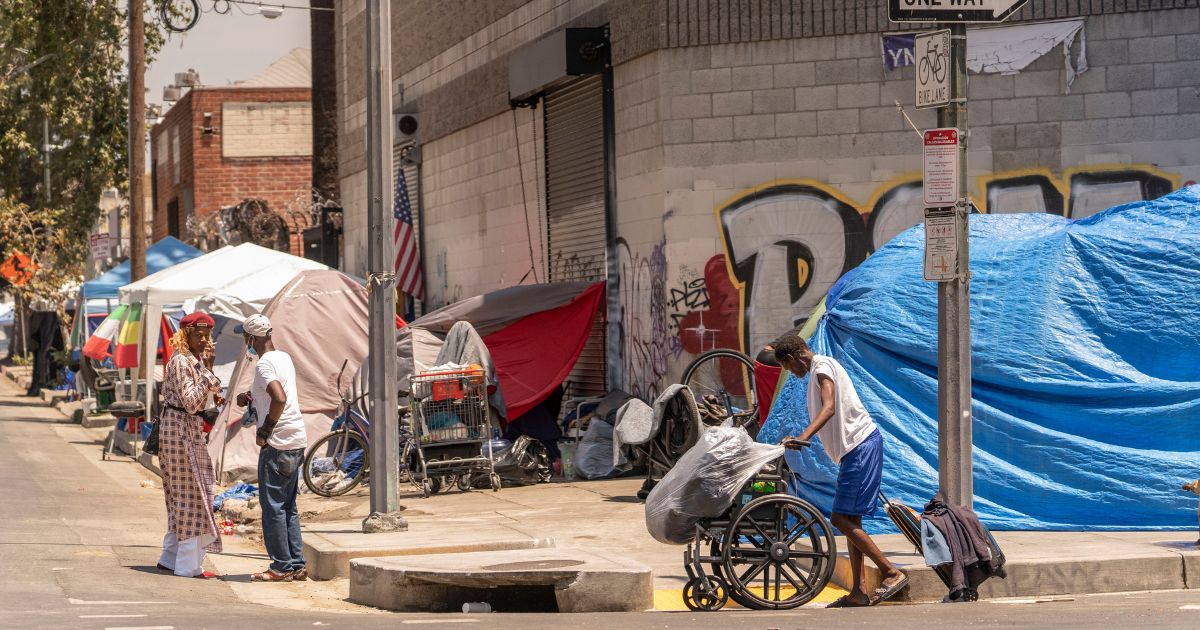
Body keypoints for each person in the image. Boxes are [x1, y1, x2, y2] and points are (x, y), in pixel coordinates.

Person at [773, 334, 908, 607]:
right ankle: (859, 592)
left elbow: (830, 407)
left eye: (788, 367)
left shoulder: (821, 367)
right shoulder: (818, 370)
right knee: (851, 522)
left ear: (793, 357)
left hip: (860, 446)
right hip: (855, 450)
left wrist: (805, 435)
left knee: (839, 520)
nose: (792, 373)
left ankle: (891, 572)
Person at [234, 314, 308, 582]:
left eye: (245, 338)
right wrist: (250, 397)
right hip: (296, 439)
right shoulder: (283, 358)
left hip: (277, 443)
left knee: (273, 507)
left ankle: (280, 566)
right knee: (288, 506)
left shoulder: (264, 364)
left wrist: (265, 430)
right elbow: (274, 392)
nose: (245, 343)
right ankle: (296, 564)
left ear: (252, 338)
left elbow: (279, 397)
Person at [157, 311, 224, 579]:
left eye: (207, 335)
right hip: (179, 431)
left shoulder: (193, 360)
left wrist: (208, 371)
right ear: (185, 335)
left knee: (182, 495)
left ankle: (170, 557)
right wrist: (208, 373)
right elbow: (191, 402)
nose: (204, 340)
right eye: (198, 335)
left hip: (185, 429)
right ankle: (187, 565)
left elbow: (207, 393)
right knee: (190, 496)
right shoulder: (182, 361)